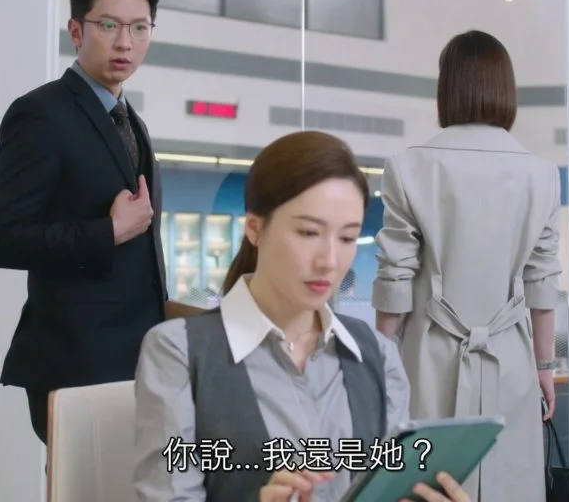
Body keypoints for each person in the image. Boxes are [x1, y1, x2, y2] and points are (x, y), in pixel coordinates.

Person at [130, 131, 471, 502]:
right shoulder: (178, 351)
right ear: (255, 228)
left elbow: (389, 488)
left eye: (347, 238)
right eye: (308, 232)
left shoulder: (377, 354)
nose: (329, 261)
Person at [0, 0, 167, 445]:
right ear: (76, 31)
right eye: (109, 25)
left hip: (135, 362)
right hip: (74, 362)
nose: (125, 42)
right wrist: (108, 232)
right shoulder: (40, 114)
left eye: (139, 27)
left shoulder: (130, 120)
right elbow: (1, 240)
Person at [372, 30, 562, 502]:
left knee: (424, 484)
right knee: (510, 484)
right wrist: (543, 366)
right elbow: (542, 283)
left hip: (428, 360)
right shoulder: (541, 174)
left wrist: (379, 362)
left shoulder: (408, 167)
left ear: (448, 88)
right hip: (511, 361)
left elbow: (395, 277)